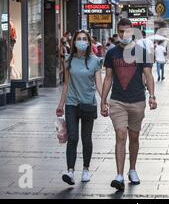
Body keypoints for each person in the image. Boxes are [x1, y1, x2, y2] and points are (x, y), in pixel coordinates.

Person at [101, 18, 157, 191]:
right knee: (120, 135)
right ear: (117, 33)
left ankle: (132, 169)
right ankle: (119, 175)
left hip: (138, 100)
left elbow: (148, 75)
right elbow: (108, 77)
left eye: (127, 31)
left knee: (134, 137)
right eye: (121, 32)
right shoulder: (111, 53)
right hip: (117, 100)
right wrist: (103, 100)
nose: (124, 35)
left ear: (132, 32)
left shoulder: (142, 51)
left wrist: (152, 96)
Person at [56, 30, 103, 185]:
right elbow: (66, 83)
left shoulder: (95, 61)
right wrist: (61, 104)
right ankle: (70, 172)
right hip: (71, 103)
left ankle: (86, 169)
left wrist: (104, 101)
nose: (81, 41)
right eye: (79, 39)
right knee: (73, 138)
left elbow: (98, 84)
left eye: (84, 39)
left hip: (88, 103)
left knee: (86, 138)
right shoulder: (68, 60)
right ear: (74, 42)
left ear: (89, 42)